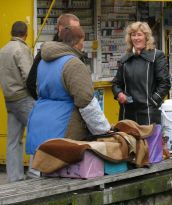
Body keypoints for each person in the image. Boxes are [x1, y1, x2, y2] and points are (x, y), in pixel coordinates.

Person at [25, 26, 111, 155]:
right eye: (83, 41)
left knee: (46, 170)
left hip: (41, 122)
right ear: (78, 42)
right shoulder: (73, 64)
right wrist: (104, 130)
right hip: (65, 127)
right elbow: (86, 102)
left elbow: (34, 87)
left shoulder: (43, 61)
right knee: (67, 172)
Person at [112, 22, 171, 125]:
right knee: (129, 141)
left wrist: (152, 102)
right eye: (133, 35)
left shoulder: (156, 56)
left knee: (149, 141)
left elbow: (164, 84)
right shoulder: (125, 59)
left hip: (149, 114)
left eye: (139, 34)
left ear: (146, 37)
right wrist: (119, 94)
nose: (136, 38)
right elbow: (116, 84)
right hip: (127, 113)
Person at [0, 21, 35, 182]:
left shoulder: (3, 50)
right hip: (23, 98)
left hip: (9, 99)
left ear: (11, 32)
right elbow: (28, 76)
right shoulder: (22, 49)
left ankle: (14, 177)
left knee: (13, 140)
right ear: (25, 34)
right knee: (37, 132)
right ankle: (35, 172)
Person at [26, 13, 80, 100]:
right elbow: (31, 83)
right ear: (61, 28)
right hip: (66, 109)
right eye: (73, 29)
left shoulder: (76, 53)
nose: (77, 33)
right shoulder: (44, 53)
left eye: (78, 29)